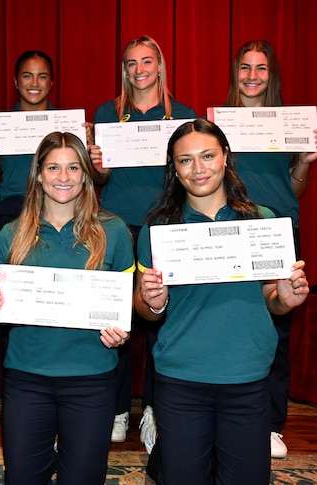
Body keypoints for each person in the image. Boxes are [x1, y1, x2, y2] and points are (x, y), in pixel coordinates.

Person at [136, 119, 309, 484]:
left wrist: (284, 298)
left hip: (246, 378)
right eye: (185, 160)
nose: (198, 169)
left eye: (208, 156)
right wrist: (153, 302)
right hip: (181, 380)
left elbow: (271, 299)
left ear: (226, 157)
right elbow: (146, 311)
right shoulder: (158, 230)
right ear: (174, 169)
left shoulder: (263, 220)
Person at [0, 132, 133, 484]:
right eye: (53, 167)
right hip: (26, 379)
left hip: (91, 379)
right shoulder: (11, 234)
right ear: (38, 174)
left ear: (86, 173)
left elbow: (125, 305)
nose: (63, 177)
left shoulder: (114, 232)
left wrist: (120, 331)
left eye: (72, 167)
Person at [88, 35, 197, 450]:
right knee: (115, 317)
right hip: (116, 225)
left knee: (159, 319)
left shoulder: (183, 114)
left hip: (166, 226)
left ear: (159, 66)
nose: (139, 69)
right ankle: (117, 409)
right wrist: (97, 165)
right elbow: (99, 179)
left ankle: (153, 409)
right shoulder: (107, 112)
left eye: (147, 61)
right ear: (124, 69)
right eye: (131, 63)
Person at [224, 40, 317, 458]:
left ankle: (270, 425)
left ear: (272, 75)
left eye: (261, 68)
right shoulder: (218, 123)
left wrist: (304, 160)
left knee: (276, 329)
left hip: (279, 231)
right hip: (232, 232)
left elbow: (295, 187)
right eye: (245, 68)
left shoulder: (291, 123)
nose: (252, 76)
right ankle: (232, 417)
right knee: (235, 321)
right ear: (235, 73)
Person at [0, 50, 56, 239]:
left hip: (58, 205)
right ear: (16, 82)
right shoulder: (0, 125)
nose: (35, 83)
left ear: (51, 82)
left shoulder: (66, 124)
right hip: (13, 209)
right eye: (27, 76)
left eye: (42, 76)